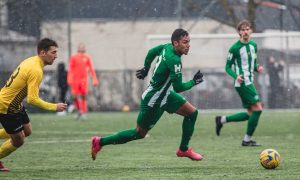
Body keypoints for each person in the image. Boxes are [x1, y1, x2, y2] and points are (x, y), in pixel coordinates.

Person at [91, 28, 204, 161]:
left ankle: (183, 150)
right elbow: (179, 87)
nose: (188, 45)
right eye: (185, 42)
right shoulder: (174, 60)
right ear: (175, 43)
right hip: (154, 100)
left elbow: (151, 52)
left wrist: (146, 68)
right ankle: (100, 142)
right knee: (138, 133)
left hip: (166, 95)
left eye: (189, 42)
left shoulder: (167, 47)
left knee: (192, 113)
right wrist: (194, 82)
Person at [0, 38, 67, 171]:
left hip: (15, 104)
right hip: (6, 106)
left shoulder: (32, 60)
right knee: (19, 140)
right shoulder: (36, 70)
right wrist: (54, 107)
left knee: (27, 131)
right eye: (53, 52)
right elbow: (32, 99)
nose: (56, 56)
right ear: (43, 53)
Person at [215, 20, 264, 146]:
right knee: (258, 109)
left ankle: (222, 120)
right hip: (243, 83)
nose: (245, 31)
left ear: (251, 30)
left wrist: (257, 67)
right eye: (243, 29)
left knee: (250, 114)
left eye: (247, 29)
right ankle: (246, 140)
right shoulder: (234, 48)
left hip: (250, 81)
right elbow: (227, 67)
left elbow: (252, 63)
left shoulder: (253, 45)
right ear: (239, 32)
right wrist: (236, 76)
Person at [67, 43, 99, 119]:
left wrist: (94, 79)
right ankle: (79, 111)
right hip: (75, 80)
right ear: (78, 48)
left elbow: (91, 69)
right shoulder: (74, 57)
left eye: (83, 47)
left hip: (84, 80)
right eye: (81, 47)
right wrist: (69, 78)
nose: (82, 48)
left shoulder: (87, 57)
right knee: (74, 96)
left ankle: (83, 112)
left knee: (84, 96)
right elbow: (70, 68)